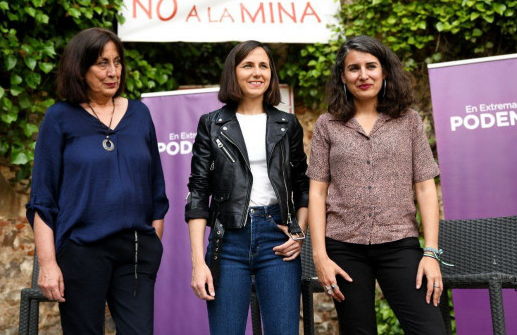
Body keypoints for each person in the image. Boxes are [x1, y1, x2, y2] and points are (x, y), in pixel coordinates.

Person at [25, 28, 169, 334]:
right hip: (81, 251)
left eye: (117, 62)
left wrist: (152, 244)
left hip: (135, 251)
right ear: (80, 68)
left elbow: (156, 189)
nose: (112, 71)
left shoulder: (140, 114)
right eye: (102, 63)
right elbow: (43, 199)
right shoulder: (59, 118)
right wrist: (48, 264)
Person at [307, 35, 447, 334]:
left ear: (384, 71)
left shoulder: (408, 121)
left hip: (399, 243)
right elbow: (317, 193)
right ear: (343, 77)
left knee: (430, 329)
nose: (363, 75)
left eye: (371, 66)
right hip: (343, 248)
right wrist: (320, 255)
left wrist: (431, 252)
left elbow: (425, 187)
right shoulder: (327, 125)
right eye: (353, 68)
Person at [186, 40, 309, 335]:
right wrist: (197, 263)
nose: (257, 73)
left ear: (271, 74)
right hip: (227, 241)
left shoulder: (287, 124)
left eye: (263, 66)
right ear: (234, 72)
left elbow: (303, 185)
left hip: (276, 239)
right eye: (248, 65)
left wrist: (299, 232)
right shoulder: (211, 124)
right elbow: (199, 192)